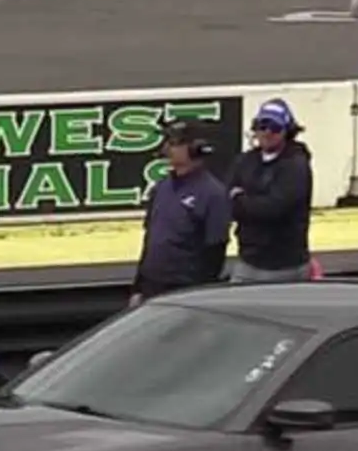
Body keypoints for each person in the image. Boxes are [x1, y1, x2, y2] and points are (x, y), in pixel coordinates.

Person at [130, 118, 230, 307]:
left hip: (184, 289)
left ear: (196, 148)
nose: (167, 148)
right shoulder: (161, 188)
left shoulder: (212, 193)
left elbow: (215, 251)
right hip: (152, 285)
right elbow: (151, 240)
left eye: (175, 143)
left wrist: (200, 297)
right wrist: (138, 288)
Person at [226, 98, 314, 284]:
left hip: (285, 266)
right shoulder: (245, 161)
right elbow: (227, 201)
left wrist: (241, 199)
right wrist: (249, 202)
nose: (267, 132)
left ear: (287, 131)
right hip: (248, 261)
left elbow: (274, 209)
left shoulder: (296, 165)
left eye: (274, 127)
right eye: (261, 125)